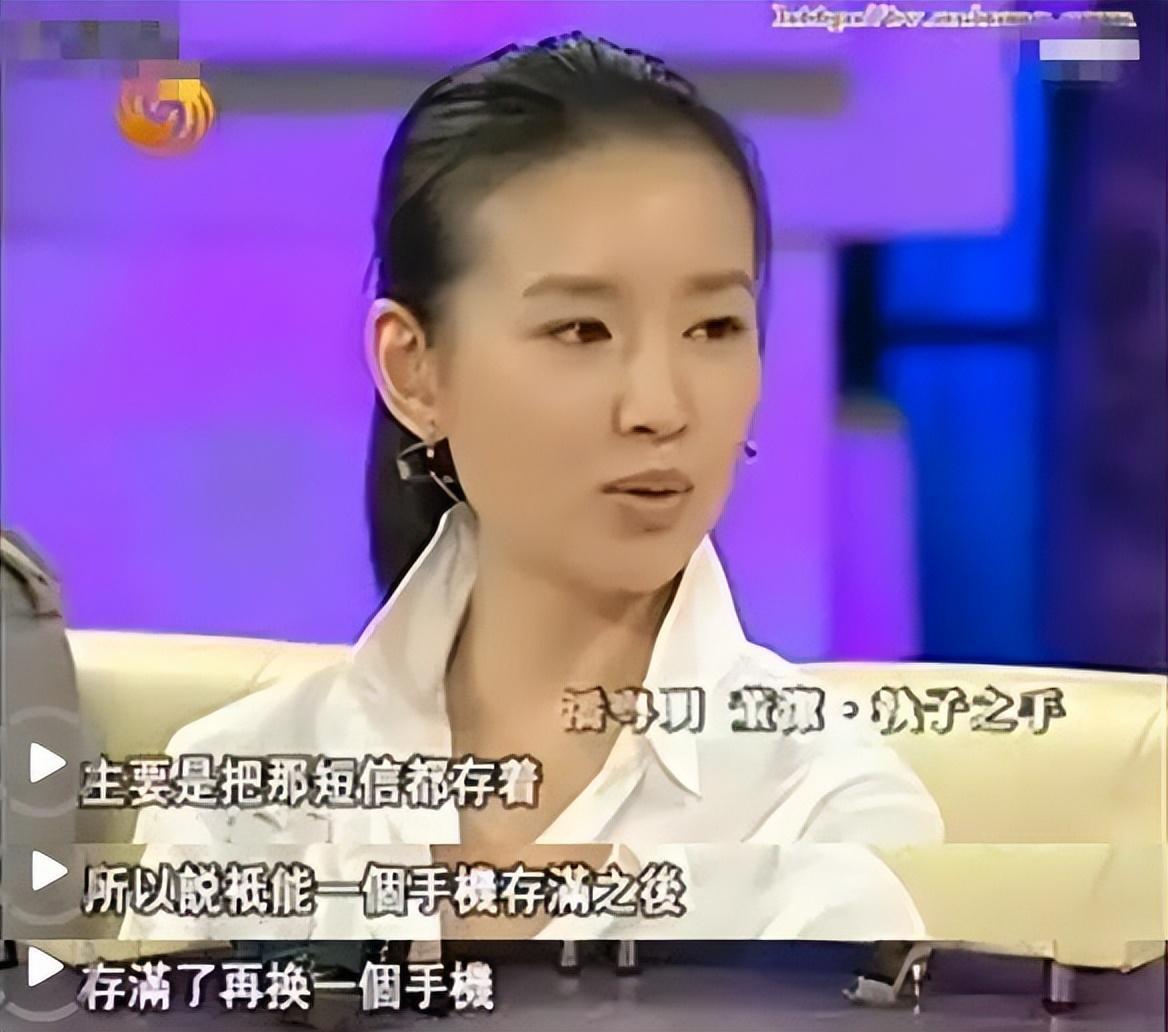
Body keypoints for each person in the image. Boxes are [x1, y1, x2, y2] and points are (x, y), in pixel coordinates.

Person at [120, 31, 943, 953]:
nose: (659, 407)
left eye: (714, 327)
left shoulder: (825, 813)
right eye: (581, 330)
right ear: (415, 369)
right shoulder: (244, 796)